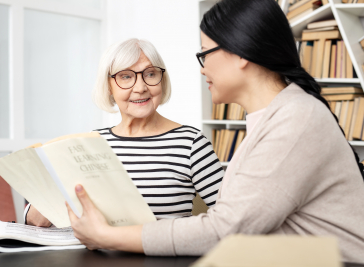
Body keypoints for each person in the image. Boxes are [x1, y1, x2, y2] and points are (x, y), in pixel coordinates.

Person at [64, 0, 364, 263]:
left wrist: (107, 237)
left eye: (205, 53)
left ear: (240, 52)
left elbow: (226, 228)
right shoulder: (277, 117)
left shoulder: (296, 119)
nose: (202, 68)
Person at [24, 39, 224, 226]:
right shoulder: (91, 143)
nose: (140, 87)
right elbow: (37, 221)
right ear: (109, 86)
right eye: (126, 77)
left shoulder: (190, 142)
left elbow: (231, 215)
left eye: (151, 74)